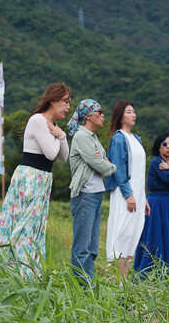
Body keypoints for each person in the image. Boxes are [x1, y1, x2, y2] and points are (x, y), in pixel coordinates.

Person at [0, 83, 71, 277]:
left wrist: (61, 136)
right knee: (22, 224)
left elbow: (64, 156)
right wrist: (59, 136)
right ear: (53, 101)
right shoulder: (38, 120)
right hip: (30, 177)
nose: (68, 107)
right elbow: (51, 154)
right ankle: (16, 273)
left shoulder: (53, 126)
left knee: (35, 227)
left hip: (42, 179)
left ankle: (28, 273)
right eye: (66, 102)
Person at [68, 99, 116, 284]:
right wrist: (109, 166)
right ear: (88, 115)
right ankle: (81, 287)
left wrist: (103, 161)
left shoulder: (92, 138)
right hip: (85, 195)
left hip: (95, 195)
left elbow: (101, 159)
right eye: (99, 112)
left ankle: (89, 284)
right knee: (82, 247)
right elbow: (101, 164)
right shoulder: (81, 137)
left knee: (93, 247)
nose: (103, 115)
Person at [105, 100, 149, 276]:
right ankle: (116, 281)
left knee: (133, 233)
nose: (133, 114)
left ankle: (123, 282)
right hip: (125, 193)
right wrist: (128, 193)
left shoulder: (135, 139)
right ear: (120, 116)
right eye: (129, 111)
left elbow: (139, 173)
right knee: (122, 232)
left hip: (137, 194)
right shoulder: (118, 138)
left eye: (134, 111)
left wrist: (142, 197)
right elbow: (118, 168)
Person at [133, 132, 169, 275]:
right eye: (164, 144)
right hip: (157, 203)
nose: (168, 147)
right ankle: (150, 272)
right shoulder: (156, 162)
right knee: (155, 235)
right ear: (159, 146)